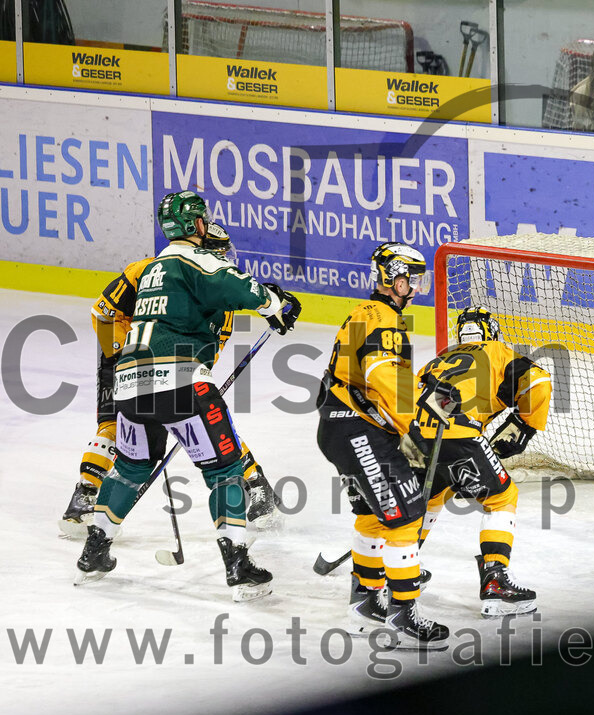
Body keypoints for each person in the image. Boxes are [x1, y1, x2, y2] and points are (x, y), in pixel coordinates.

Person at [74, 191, 301, 602]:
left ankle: (94, 550)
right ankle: (237, 565)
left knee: (128, 468)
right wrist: (276, 303)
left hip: (129, 383)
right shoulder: (195, 258)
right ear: (198, 225)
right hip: (180, 383)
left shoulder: (150, 267)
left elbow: (108, 314)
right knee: (225, 471)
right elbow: (243, 287)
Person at [60, 223, 284, 539]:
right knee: (113, 427)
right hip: (126, 356)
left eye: (224, 251)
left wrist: (195, 379)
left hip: (166, 368)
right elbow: (102, 312)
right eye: (217, 251)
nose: (222, 257)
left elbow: (209, 348)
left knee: (205, 422)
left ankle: (255, 482)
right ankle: (84, 496)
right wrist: (119, 352)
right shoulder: (147, 270)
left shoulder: (217, 296)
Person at [316, 242, 451, 650]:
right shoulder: (382, 318)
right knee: (407, 515)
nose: (417, 286)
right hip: (357, 431)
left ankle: (364, 600)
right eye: (413, 278)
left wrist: (419, 397)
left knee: (375, 517)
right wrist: (418, 424)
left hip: (344, 429)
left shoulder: (372, 314)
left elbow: (373, 376)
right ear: (395, 277)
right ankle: (402, 612)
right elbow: (383, 375)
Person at [405, 307, 552, 618]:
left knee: (430, 498)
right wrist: (521, 429)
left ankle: (399, 569)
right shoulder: (497, 352)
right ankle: (495, 583)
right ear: (492, 333)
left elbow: (413, 399)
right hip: (457, 434)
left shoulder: (440, 359)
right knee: (502, 498)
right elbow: (538, 382)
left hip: (413, 435)